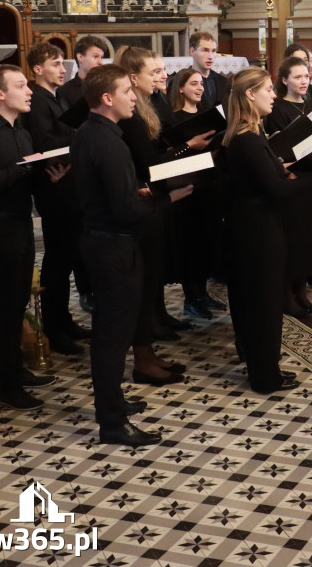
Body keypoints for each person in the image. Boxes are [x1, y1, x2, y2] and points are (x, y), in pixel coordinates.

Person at [71, 64, 193, 446]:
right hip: (114, 246)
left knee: (113, 334)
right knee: (112, 338)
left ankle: (115, 404)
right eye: (127, 90)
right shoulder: (108, 141)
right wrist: (166, 197)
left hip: (103, 240)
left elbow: (114, 196)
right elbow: (125, 210)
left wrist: (139, 194)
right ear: (107, 98)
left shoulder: (90, 132)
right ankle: (112, 423)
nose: (134, 97)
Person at [222, 66, 312, 393]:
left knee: (262, 304)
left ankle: (266, 368)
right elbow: (276, 189)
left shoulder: (251, 134)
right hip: (258, 234)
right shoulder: (247, 139)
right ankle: (264, 376)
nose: (273, 95)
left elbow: (267, 175)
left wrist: (285, 167)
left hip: (256, 228)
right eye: (268, 89)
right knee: (263, 306)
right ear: (249, 95)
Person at [117, 49, 214, 385]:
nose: (160, 76)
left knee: (153, 274)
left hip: (154, 197)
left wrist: (184, 151)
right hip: (144, 200)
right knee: (143, 282)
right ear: (133, 77)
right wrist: (188, 150)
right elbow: (148, 162)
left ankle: (149, 351)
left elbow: (157, 153)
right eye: (153, 71)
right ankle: (142, 357)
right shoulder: (131, 114)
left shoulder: (146, 106)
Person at [0, 65, 57, 410]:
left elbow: (27, 180)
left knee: (17, 304)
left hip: (20, 223)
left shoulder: (23, 132)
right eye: (21, 85)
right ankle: (8, 387)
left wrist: (50, 174)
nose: (29, 91)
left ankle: (16, 370)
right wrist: (23, 166)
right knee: (5, 307)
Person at [25, 42, 91, 356]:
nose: (62, 69)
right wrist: (81, 133)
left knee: (67, 258)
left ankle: (64, 320)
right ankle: (54, 328)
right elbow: (43, 142)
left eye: (62, 63)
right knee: (57, 260)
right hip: (54, 185)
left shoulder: (60, 95)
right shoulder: (37, 100)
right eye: (55, 64)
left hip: (69, 181)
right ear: (37, 69)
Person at [268, 56, 312, 316]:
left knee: (309, 236)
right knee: (292, 238)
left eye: (306, 76)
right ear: (284, 80)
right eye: (297, 77)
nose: (304, 81)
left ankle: (302, 290)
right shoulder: (277, 108)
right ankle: (287, 295)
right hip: (293, 180)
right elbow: (279, 148)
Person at [168, 68, 226, 320]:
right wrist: (191, 147)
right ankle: (191, 298)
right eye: (193, 83)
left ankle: (202, 294)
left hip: (210, 186)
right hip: (186, 189)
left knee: (206, 243)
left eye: (201, 83)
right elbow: (170, 156)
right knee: (189, 245)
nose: (199, 87)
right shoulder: (172, 119)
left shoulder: (207, 115)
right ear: (181, 88)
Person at [168, 31, 231, 116]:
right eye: (205, 50)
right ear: (192, 51)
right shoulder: (178, 81)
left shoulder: (224, 81)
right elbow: (173, 114)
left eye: (213, 51)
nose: (210, 56)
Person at [58, 35, 108, 114]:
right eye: (96, 56)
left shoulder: (108, 86)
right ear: (80, 57)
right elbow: (68, 124)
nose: (100, 62)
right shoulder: (64, 91)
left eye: (101, 57)